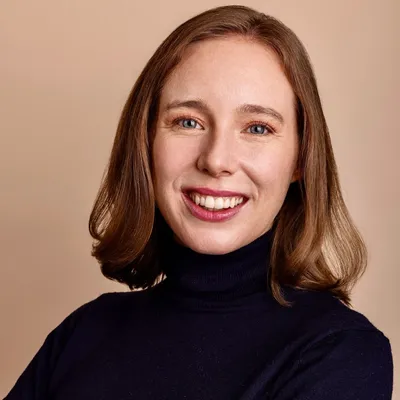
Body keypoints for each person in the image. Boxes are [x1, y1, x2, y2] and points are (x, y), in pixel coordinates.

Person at [5, 5, 393, 400]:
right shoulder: (83, 334)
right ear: (146, 141)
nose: (216, 160)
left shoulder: (340, 353)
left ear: (300, 159)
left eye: (258, 128)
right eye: (188, 122)